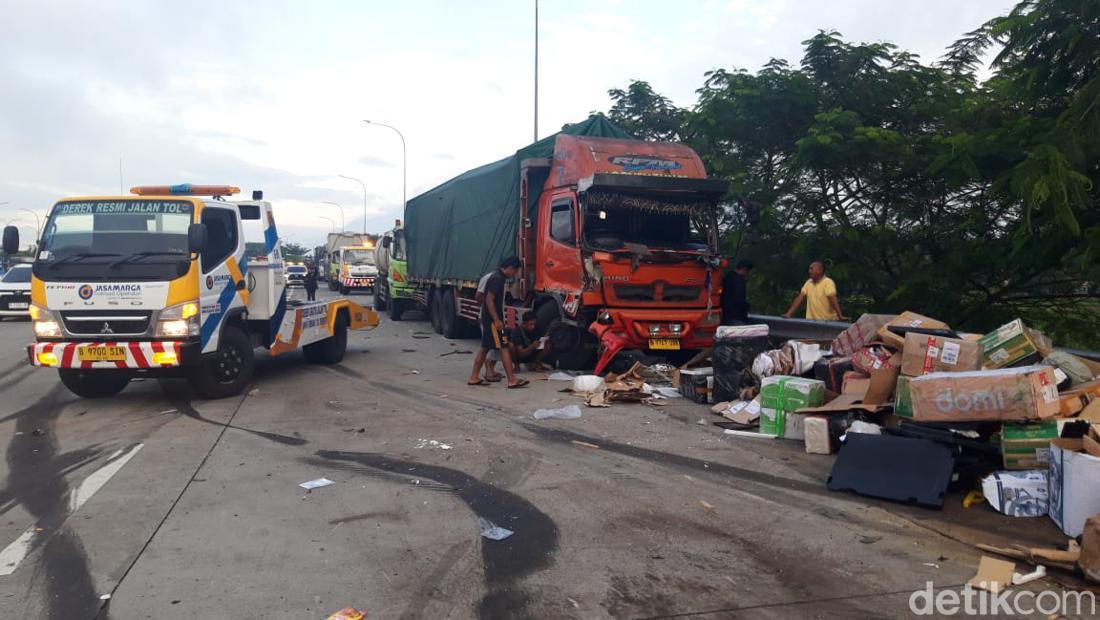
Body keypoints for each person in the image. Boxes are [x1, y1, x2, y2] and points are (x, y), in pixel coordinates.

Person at [469, 256, 528, 388]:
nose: (514, 275)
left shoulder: (497, 277)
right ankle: (511, 379)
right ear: (510, 268)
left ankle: (474, 377)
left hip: (488, 319)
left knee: (485, 348)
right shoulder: (497, 279)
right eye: (515, 271)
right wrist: (496, 319)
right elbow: (489, 300)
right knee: (504, 347)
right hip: (492, 321)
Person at [783, 261, 848, 321]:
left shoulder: (828, 282)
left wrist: (840, 316)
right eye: (809, 269)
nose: (809, 271)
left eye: (811, 269)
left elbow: (833, 299)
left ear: (820, 270)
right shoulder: (808, 282)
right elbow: (800, 298)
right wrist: (789, 313)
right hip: (812, 321)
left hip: (828, 321)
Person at [475, 270, 501, 382]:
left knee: (493, 346)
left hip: (494, 318)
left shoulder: (500, 278)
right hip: (488, 319)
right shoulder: (490, 278)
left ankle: (488, 370)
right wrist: (493, 316)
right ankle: (488, 371)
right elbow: (479, 297)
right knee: (488, 346)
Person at [721, 259, 754, 325]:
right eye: (748, 271)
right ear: (745, 269)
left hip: (726, 315)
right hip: (735, 316)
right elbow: (739, 299)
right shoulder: (738, 281)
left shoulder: (728, 277)